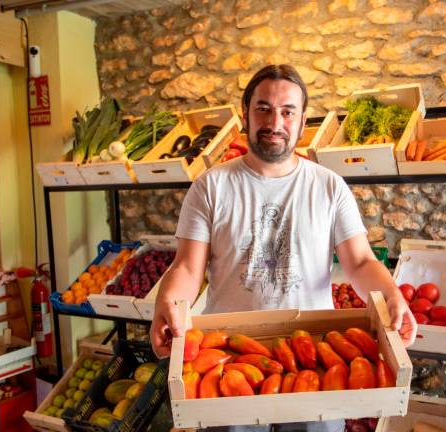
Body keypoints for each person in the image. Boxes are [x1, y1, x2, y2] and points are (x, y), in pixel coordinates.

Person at [150, 64, 417, 432]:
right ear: (246, 114)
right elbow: (187, 268)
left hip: (316, 356)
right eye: (263, 108)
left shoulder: (329, 187)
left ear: (302, 120)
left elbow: (359, 262)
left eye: (287, 111)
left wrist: (392, 296)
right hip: (229, 357)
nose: (275, 121)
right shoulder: (210, 186)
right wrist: (166, 303)